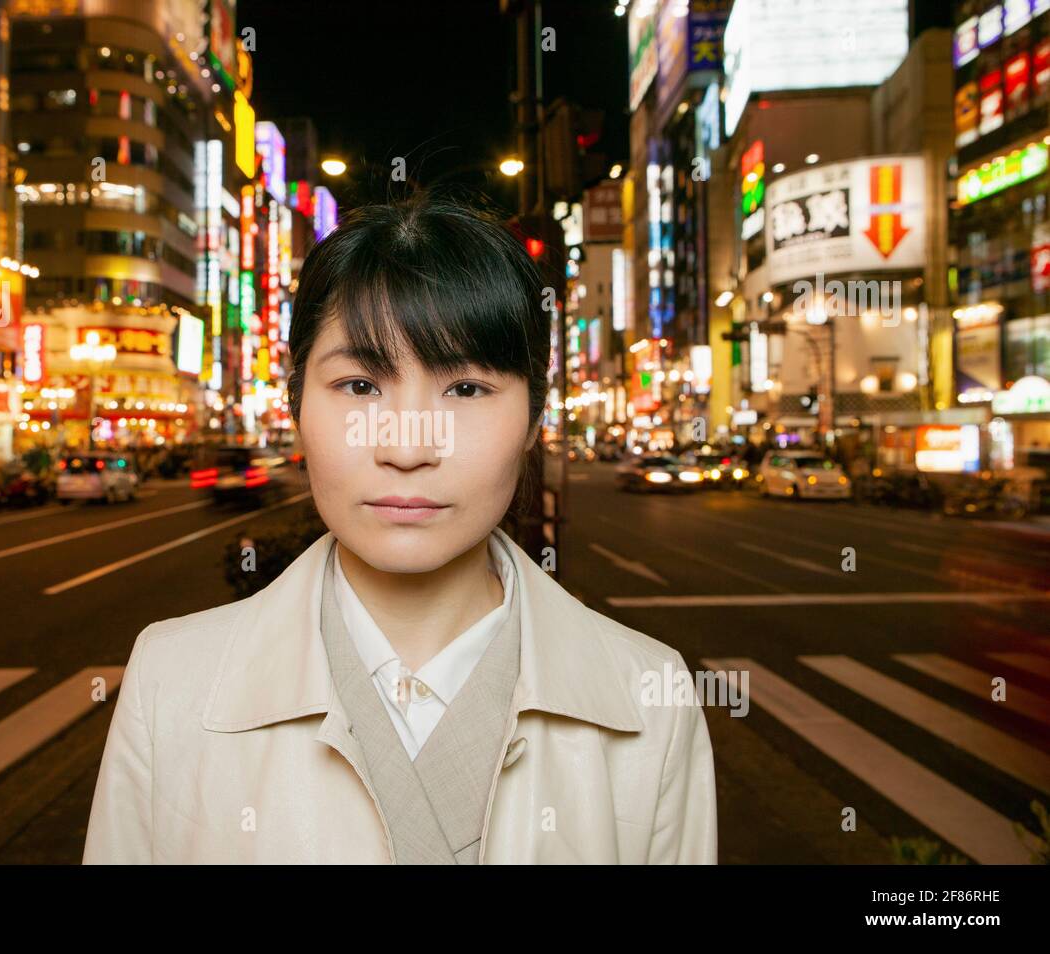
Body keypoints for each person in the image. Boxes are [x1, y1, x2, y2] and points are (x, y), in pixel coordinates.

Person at [83, 191, 717, 864]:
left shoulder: (650, 696)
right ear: (297, 403)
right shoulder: (171, 682)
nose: (407, 445)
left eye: (466, 389)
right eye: (360, 387)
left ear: (535, 417)